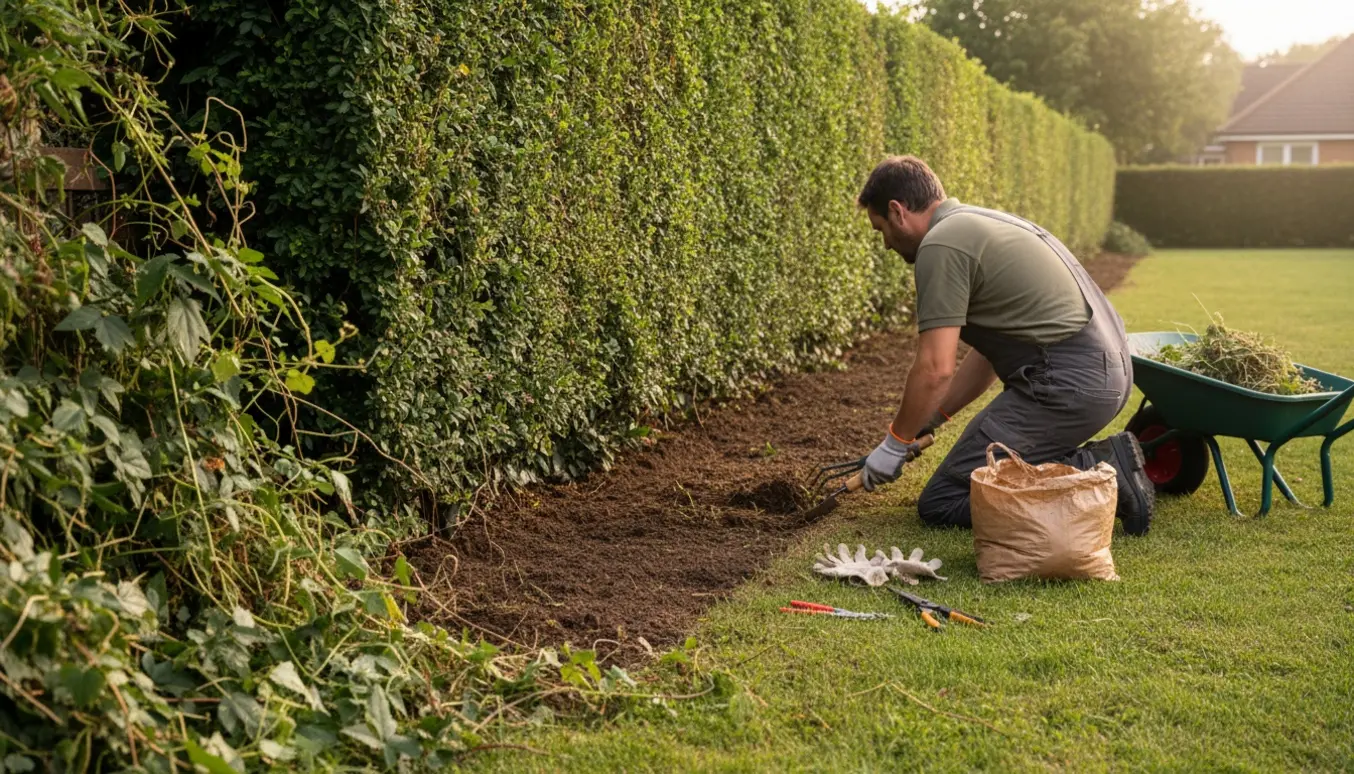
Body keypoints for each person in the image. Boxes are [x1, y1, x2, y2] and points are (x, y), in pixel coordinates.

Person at [851, 155, 1154, 535]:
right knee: (982, 477)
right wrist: (929, 421)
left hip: (1067, 384)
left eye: (880, 229)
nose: (885, 245)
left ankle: (1097, 469)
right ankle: (1093, 464)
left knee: (943, 501)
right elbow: (989, 357)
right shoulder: (980, 222)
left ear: (897, 212)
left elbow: (935, 367)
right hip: (1104, 375)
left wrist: (894, 443)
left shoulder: (941, 245)